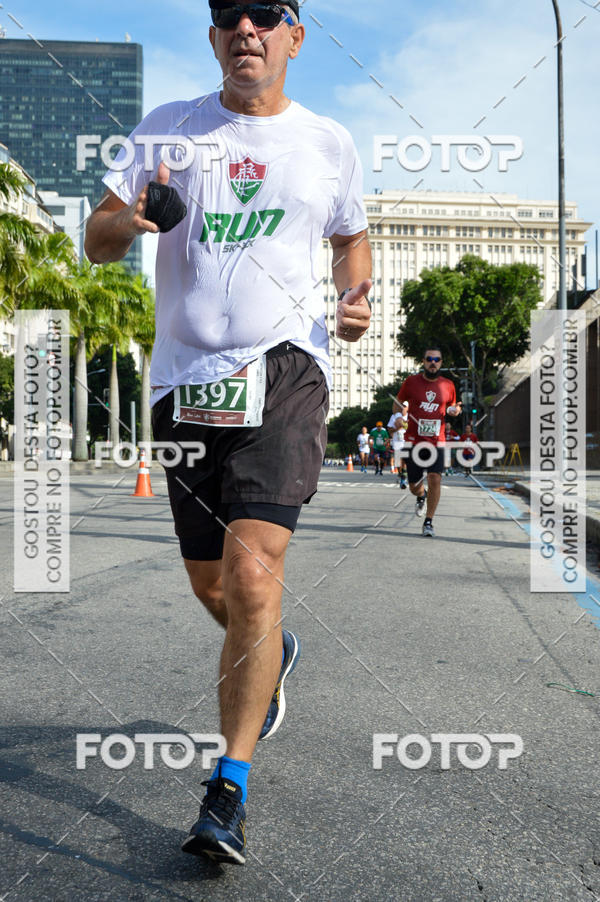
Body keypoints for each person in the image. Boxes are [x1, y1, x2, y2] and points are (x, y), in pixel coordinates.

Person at [85, 0, 372, 866]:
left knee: (254, 571)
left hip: (286, 373)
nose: (244, 27)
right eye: (226, 15)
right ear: (213, 39)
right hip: (184, 385)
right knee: (218, 590)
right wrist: (127, 220)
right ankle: (274, 648)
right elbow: (93, 241)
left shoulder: (328, 142)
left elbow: (353, 241)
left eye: (264, 12)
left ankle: (228, 789)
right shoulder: (166, 129)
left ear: (293, 35)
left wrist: (355, 298)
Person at [396, 346, 461, 537]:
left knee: (435, 478)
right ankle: (421, 496)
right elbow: (398, 402)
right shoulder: (411, 382)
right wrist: (399, 417)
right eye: (429, 359)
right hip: (413, 441)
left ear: (441, 363)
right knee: (414, 486)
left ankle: (429, 521)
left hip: (437, 441)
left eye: (437, 360)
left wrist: (455, 411)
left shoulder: (448, 385)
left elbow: (453, 406)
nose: (433, 362)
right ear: (423, 361)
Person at [387, 402, 408, 488]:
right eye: (401, 406)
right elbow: (390, 430)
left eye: (404, 406)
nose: (402, 408)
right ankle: (400, 474)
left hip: (407, 441)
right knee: (398, 461)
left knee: (405, 461)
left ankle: (403, 479)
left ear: (408, 408)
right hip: (397, 441)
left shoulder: (411, 416)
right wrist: (397, 428)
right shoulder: (394, 416)